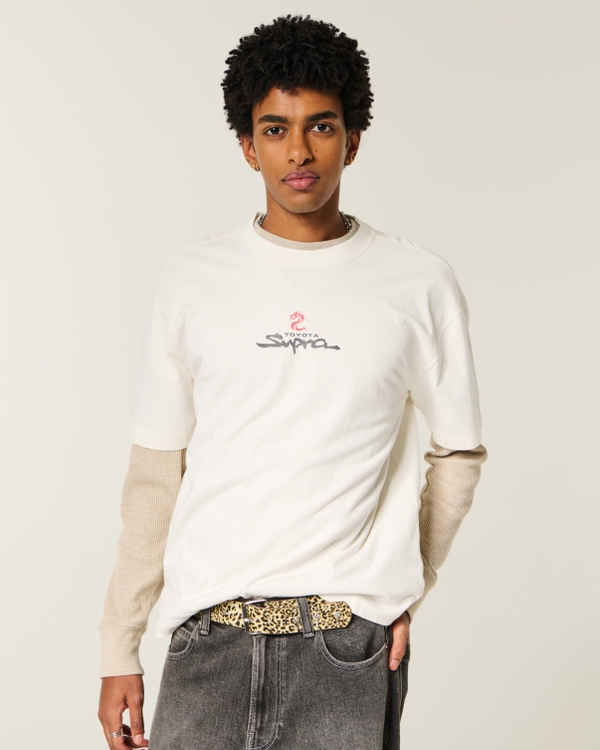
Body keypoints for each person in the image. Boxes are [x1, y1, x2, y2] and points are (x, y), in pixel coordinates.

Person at [98, 15, 487, 750]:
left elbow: (458, 453)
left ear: (353, 139)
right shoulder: (192, 279)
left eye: (321, 127)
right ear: (248, 146)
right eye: (275, 129)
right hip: (207, 643)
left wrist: (402, 586)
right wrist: (119, 646)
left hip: (346, 650)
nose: (299, 151)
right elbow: (155, 474)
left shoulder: (417, 282)